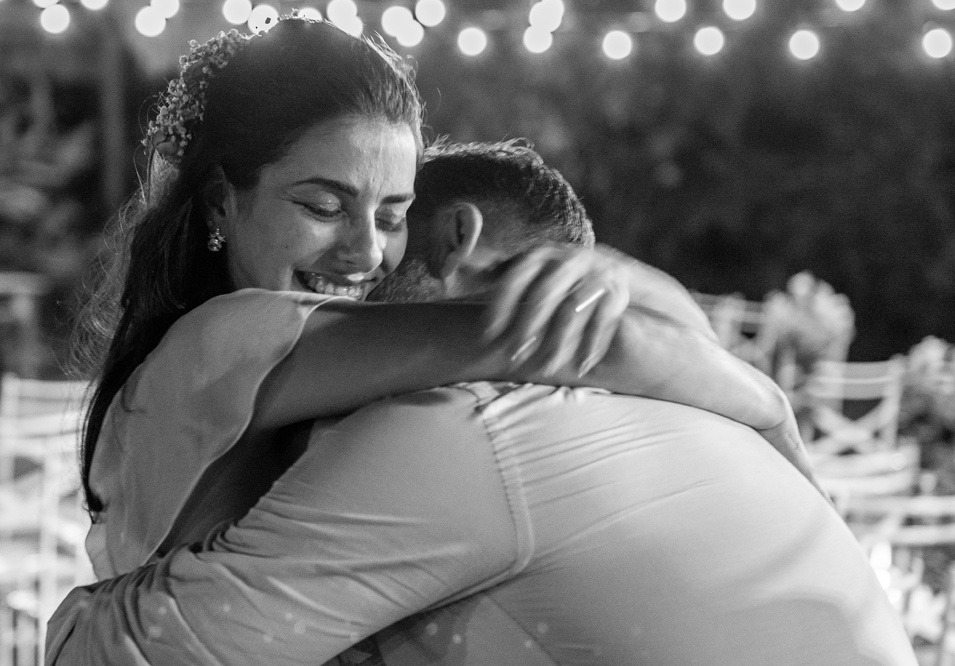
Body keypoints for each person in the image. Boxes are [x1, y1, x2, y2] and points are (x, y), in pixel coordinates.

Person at [46, 140, 915, 665]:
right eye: (326, 207)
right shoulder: (677, 400)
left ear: (454, 236)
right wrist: (755, 401)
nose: (365, 269)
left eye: (392, 223)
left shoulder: (461, 425)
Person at [72, 13, 807, 583]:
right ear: (219, 202)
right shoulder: (230, 338)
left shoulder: (251, 355)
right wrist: (773, 416)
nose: (366, 252)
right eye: (323, 207)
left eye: (391, 215)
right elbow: (589, 344)